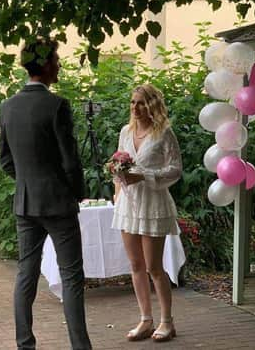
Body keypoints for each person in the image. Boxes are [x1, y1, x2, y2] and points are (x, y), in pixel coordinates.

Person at [0, 39, 92, 350]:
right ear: (47, 64)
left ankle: (24, 345)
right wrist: (78, 193)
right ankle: (81, 347)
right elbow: (70, 160)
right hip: (58, 203)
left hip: (25, 202)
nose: (60, 65)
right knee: (71, 278)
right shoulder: (57, 105)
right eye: (57, 59)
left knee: (26, 274)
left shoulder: (7, 106)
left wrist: (27, 180)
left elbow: (5, 159)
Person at [111, 84, 182, 342]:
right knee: (135, 265)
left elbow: (175, 169)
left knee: (154, 267)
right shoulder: (126, 132)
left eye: (141, 102)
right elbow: (121, 164)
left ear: (152, 105)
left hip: (153, 205)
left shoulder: (164, 133)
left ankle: (167, 321)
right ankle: (145, 320)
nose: (135, 107)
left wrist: (145, 175)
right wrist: (117, 181)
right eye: (132, 102)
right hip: (128, 206)